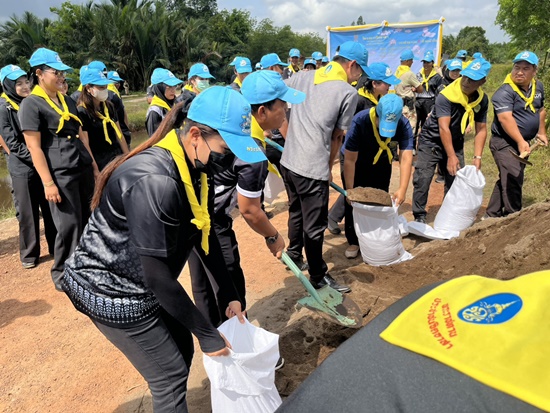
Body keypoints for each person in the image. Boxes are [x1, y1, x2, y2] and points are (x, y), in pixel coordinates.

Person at [62, 86, 262, 412]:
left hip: (141, 281)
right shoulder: (156, 181)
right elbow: (157, 278)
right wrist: (207, 333)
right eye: (227, 149)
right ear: (195, 135)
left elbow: (203, 234)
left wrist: (229, 294)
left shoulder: (197, 169)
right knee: (169, 376)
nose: (231, 160)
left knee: (182, 346)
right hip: (109, 289)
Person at [188, 70, 304, 329]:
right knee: (229, 284)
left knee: (203, 284)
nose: (286, 111)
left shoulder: (227, 125)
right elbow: (250, 210)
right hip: (213, 223)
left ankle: (214, 337)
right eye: (282, 105)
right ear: (262, 111)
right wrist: (273, 236)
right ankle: (238, 341)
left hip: (193, 216)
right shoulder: (251, 151)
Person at [280, 41, 367, 293]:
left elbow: (279, 99)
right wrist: (327, 168)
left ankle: (294, 253)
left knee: (296, 210)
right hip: (312, 167)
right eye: (360, 70)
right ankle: (318, 276)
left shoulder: (303, 76)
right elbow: (337, 137)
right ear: (352, 64)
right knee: (315, 226)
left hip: (289, 161)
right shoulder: (347, 93)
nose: (360, 76)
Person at [19, 47, 99, 291]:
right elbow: (34, 147)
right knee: (68, 225)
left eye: (62, 72)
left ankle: (86, 266)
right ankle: (63, 274)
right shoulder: (31, 105)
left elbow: (81, 136)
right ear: (39, 73)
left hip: (81, 166)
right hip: (60, 173)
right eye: (56, 72)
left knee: (88, 219)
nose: (61, 77)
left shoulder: (66, 100)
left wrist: (94, 166)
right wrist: (48, 183)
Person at [412, 58, 491, 224]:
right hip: (431, 140)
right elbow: (443, 128)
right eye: (465, 77)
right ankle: (419, 215)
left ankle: (448, 214)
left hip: (455, 141)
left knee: (455, 180)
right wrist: (451, 156)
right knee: (423, 178)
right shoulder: (446, 95)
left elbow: (481, 129)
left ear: (482, 81)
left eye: (473, 80)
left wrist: (477, 157)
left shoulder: (481, 100)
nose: (466, 82)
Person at [340, 65, 405, 258]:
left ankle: (374, 237)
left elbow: (405, 152)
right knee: (354, 198)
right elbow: (348, 143)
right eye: (386, 83)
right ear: (374, 83)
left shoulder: (388, 103)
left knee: (379, 196)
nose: (389, 87)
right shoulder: (359, 102)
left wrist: (402, 187)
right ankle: (354, 240)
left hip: (381, 158)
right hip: (358, 157)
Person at [0, 64, 56, 269]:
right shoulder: (4, 108)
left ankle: (56, 247)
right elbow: (12, 144)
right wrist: (36, 158)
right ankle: (30, 255)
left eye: (26, 82)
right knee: (27, 212)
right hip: (22, 166)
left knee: (49, 207)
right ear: (8, 85)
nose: (25, 87)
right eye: (19, 84)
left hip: (41, 161)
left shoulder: (32, 102)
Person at [486, 51, 548, 218]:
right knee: (514, 178)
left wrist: (541, 132)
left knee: (508, 177)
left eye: (525, 68)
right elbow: (505, 118)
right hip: (504, 142)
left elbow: (541, 110)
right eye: (517, 67)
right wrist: (520, 141)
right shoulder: (504, 92)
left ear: (534, 71)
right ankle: (514, 219)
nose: (519, 72)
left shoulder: (538, 86)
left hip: (523, 142)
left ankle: (491, 215)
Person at [77, 66, 129, 171]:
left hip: (116, 156)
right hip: (100, 161)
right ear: (88, 88)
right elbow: (86, 144)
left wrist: (128, 157)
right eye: (101, 87)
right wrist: (95, 169)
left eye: (105, 87)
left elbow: (119, 135)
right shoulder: (82, 112)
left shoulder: (109, 106)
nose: (105, 90)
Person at [145, 68, 183, 137]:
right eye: (169, 87)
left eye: (174, 86)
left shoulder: (174, 104)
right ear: (159, 88)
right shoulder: (154, 112)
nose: (173, 90)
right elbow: (154, 140)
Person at [395, 49, 424, 136]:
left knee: (400, 130)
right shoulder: (409, 74)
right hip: (408, 107)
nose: (412, 62)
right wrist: (415, 88)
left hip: (399, 105)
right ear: (407, 61)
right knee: (410, 130)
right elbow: (420, 89)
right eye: (411, 60)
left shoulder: (397, 71)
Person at [415, 51, 442, 139]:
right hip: (418, 101)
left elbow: (439, 91)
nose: (425, 64)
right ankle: (413, 142)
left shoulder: (437, 77)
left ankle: (425, 141)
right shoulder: (418, 75)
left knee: (427, 123)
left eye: (428, 62)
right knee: (415, 122)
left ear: (432, 63)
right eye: (424, 62)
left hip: (430, 101)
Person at [107, 70, 132, 148]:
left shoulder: (115, 93)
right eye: (115, 82)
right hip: (119, 132)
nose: (118, 84)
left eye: (118, 82)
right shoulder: (112, 95)